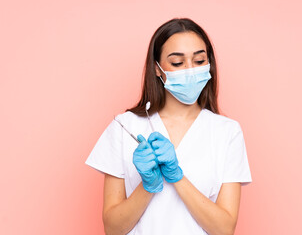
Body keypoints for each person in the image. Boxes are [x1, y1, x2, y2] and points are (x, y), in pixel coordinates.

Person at [85, 18, 252, 235]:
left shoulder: (227, 132)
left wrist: (177, 177)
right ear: (157, 69)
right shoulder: (124, 127)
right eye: (177, 63)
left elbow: (224, 229)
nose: (190, 71)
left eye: (199, 60)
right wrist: (148, 186)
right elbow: (113, 229)